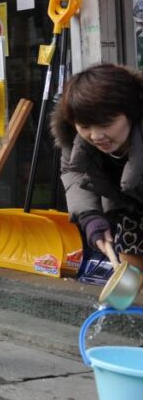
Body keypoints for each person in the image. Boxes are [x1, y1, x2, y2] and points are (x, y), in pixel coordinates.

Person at [52, 63, 143, 271]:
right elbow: (73, 171)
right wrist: (90, 216)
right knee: (131, 269)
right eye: (85, 126)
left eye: (105, 124)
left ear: (131, 112)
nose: (95, 136)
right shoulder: (74, 140)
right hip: (130, 205)